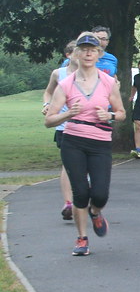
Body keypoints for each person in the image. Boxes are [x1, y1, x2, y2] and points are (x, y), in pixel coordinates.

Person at [44, 33, 126, 256]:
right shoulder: (65, 84)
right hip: (73, 142)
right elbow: (48, 120)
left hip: (100, 142)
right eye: (84, 49)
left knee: (100, 194)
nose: (88, 53)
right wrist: (68, 113)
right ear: (76, 54)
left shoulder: (108, 82)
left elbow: (121, 113)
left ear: (99, 54)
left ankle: (96, 212)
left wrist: (108, 115)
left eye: (93, 49)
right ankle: (82, 238)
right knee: (80, 192)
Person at [43, 40, 79, 219]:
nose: (81, 55)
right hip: (64, 125)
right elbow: (48, 92)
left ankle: (82, 195)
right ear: (68, 55)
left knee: (84, 165)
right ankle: (68, 204)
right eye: (76, 52)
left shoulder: (93, 75)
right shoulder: (59, 73)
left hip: (87, 126)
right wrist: (47, 104)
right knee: (68, 164)